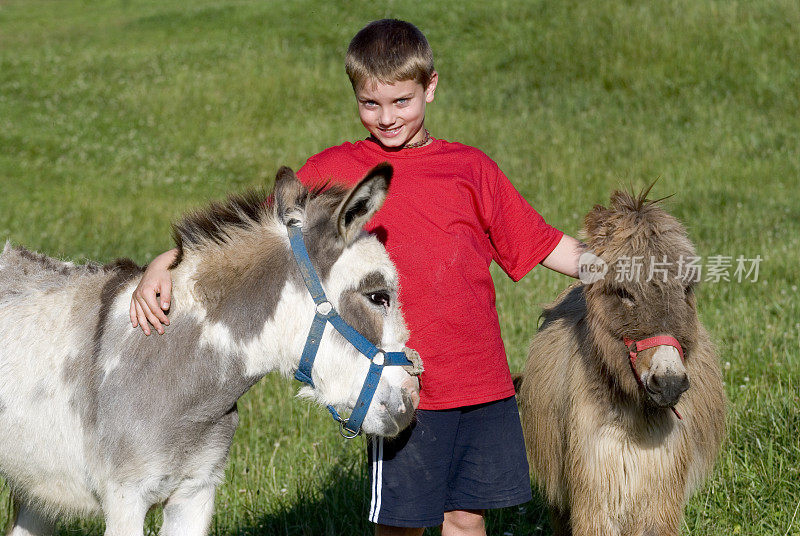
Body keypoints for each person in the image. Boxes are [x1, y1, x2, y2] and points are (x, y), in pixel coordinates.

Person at [129, 19, 584, 536]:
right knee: (402, 524)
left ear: (430, 87)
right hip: (399, 380)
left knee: (465, 517)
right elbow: (254, 237)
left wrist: (623, 268)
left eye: (401, 102)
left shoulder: (470, 169)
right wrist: (165, 262)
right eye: (371, 104)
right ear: (356, 95)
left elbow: (545, 243)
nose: (387, 119)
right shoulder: (336, 168)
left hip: (481, 381)